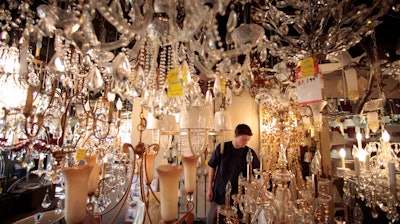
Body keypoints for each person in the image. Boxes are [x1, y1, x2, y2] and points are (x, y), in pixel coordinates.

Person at [206, 124, 260, 224]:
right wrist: (209, 188)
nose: (246, 142)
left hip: (238, 197)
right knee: (212, 219)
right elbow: (212, 166)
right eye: (243, 139)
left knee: (235, 221)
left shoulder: (249, 153)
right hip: (219, 191)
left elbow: (258, 174)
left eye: (248, 140)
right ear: (235, 135)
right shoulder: (222, 148)